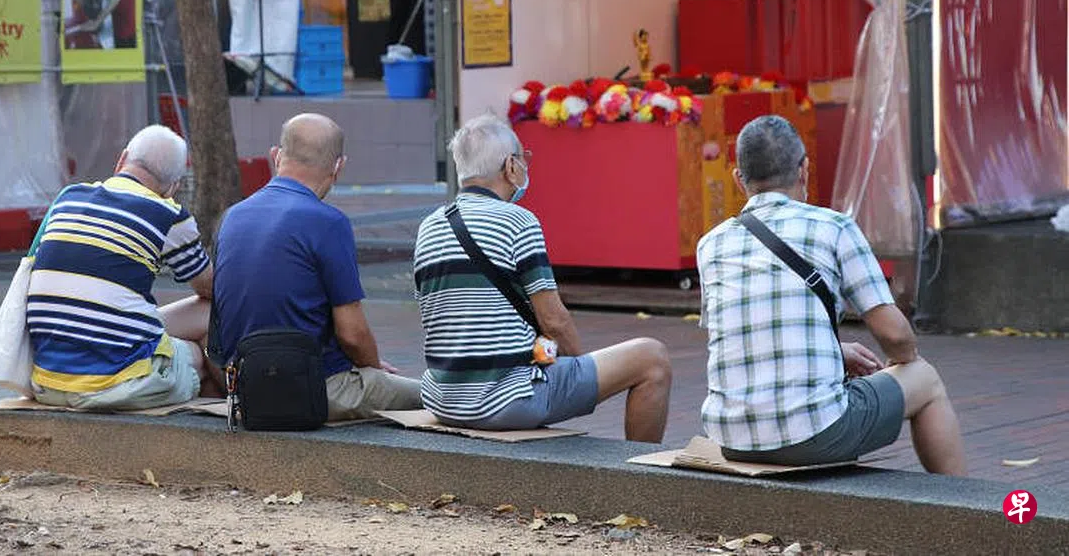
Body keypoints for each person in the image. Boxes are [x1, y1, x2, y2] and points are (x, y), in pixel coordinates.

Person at [697, 115, 966, 474]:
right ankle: (961, 498)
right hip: (816, 433)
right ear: (804, 170)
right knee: (924, 378)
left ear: (738, 179)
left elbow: (744, 336)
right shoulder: (834, 227)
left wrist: (834, 353)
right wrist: (901, 363)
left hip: (731, 438)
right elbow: (895, 335)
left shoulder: (710, 245)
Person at [413, 115, 672, 443]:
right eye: (523, 159)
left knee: (544, 349)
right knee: (653, 358)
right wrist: (578, 370)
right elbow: (554, 320)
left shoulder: (429, 226)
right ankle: (636, 467)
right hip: (506, 400)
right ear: (510, 166)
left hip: (443, 400)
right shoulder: (518, 222)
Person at [214, 113, 421, 420]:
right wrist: (374, 371)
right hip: (314, 388)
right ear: (338, 166)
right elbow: (352, 334)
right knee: (433, 395)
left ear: (276, 155)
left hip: (247, 388)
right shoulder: (329, 223)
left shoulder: (232, 217)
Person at [26, 125, 216, 410]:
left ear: (122, 159)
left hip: (46, 383)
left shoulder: (67, 198)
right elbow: (210, 288)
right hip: (114, 386)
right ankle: (224, 415)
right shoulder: (168, 214)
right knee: (200, 346)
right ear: (173, 187)